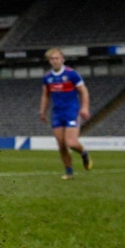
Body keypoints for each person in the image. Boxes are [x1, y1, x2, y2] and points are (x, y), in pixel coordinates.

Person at [39, 47, 92, 179]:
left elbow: (83, 91)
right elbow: (45, 95)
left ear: (62, 59)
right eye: (52, 59)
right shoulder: (47, 78)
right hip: (57, 113)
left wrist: (84, 108)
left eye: (57, 58)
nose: (54, 61)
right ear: (49, 61)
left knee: (71, 143)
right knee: (61, 145)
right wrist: (43, 111)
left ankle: (84, 152)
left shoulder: (72, 74)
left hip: (71, 111)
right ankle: (69, 172)